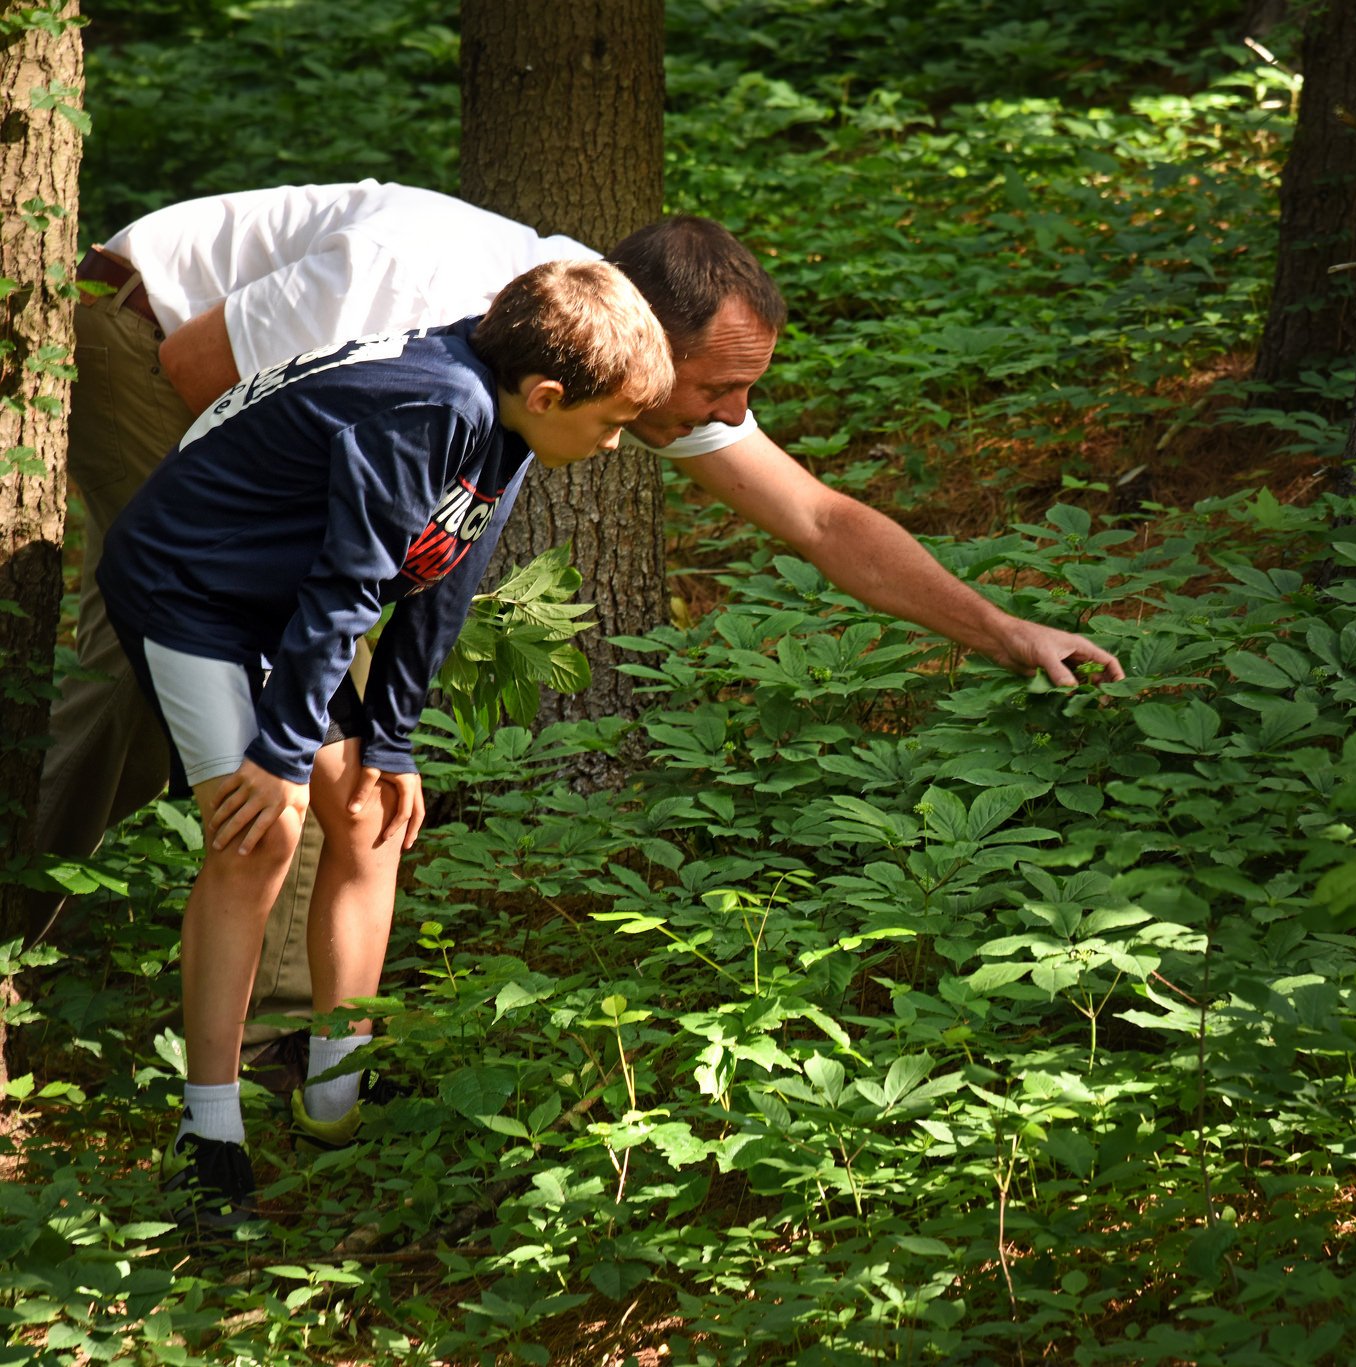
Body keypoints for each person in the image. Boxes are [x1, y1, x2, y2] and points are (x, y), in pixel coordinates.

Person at [56, 181, 1125, 1074]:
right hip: (141, 334)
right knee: (206, 684)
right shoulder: (429, 271)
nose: (723, 416)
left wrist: (1001, 630)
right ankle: (143, 978)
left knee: (307, 712)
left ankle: (306, 1041)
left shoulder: (616, 364)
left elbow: (819, 516)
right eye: (718, 389)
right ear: (637, 345)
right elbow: (197, 370)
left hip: (295, 426)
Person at [103, 259, 672, 1224]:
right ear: (547, 394)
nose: (615, 444)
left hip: (280, 601)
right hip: (190, 589)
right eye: (612, 422)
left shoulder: (507, 414)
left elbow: (443, 568)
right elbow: (348, 588)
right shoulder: (430, 404)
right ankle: (210, 1134)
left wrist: (393, 738)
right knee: (261, 835)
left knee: (368, 809)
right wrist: (281, 759)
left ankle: (335, 1097)